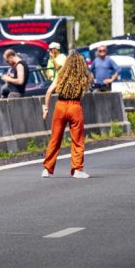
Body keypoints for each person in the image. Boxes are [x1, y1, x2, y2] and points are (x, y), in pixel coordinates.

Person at [41, 51, 92, 179]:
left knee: (55, 138)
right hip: (75, 106)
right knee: (77, 140)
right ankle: (77, 170)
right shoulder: (84, 77)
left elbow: (48, 92)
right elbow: (83, 94)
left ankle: (47, 169)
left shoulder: (61, 75)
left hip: (60, 106)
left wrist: (46, 108)